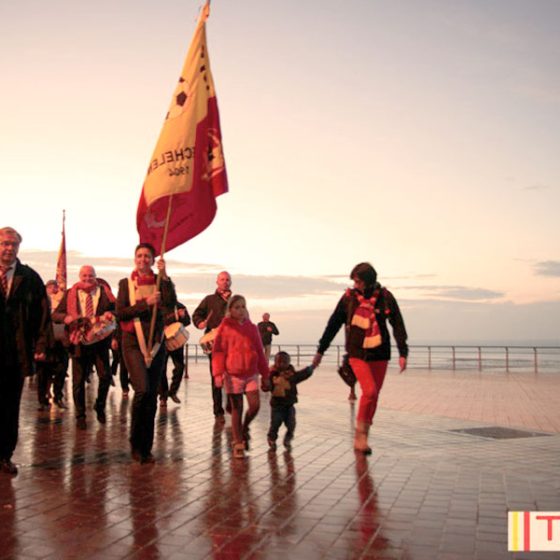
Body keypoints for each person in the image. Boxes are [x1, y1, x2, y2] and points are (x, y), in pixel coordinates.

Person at [312, 262, 408, 455]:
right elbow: (333, 324)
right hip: (357, 353)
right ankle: (360, 435)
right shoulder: (349, 299)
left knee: (373, 397)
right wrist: (321, 351)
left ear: (368, 281)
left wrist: (403, 352)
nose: (355, 285)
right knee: (369, 391)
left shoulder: (385, 297)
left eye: (358, 281)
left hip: (380, 353)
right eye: (354, 281)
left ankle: (365, 433)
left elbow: (397, 323)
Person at [116, 243, 177, 464]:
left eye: (147, 256)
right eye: (139, 255)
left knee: (151, 394)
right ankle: (135, 443)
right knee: (141, 389)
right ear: (135, 258)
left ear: (153, 260)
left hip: (156, 344)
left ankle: (146, 447)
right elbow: (120, 313)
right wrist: (145, 304)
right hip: (133, 341)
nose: (143, 259)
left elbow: (170, 303)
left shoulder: (160, 282)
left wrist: (165, 275)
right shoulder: (126, 284)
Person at [0, 227, 52, 475]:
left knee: (10, 407)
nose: (9, 248)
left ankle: (5, 455)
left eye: (13, 245)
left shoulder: (29, 278)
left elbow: (43, 315)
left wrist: (41, 345)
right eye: (4, 244)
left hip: (15, 353)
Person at [53, 266, 116, 430]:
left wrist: (110, 315)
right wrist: (66, 317)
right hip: (78, 341)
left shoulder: (104, 292)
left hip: (99, 340)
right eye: (85, 276)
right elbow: (56, 314)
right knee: (78, 381)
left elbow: (115, 310)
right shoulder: (70, 293)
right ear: (80, 277)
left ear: (96, 276)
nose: (88, 278)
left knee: (106, 377)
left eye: (91, 276)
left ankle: (100, 405)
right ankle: (80, 415)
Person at [211, 295, 270, 459]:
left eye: (243, 306)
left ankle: (244, 428)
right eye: (237, 307)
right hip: (233, 375)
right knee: (237, 408)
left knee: (255, 406)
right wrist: (218, 373)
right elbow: (218, 351)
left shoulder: (252, 328)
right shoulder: (225, 327)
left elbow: (259, 351)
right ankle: (238, 442)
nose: (241, 310)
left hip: (251, 374)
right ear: (230, 310)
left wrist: (265, 374)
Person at [193, 271, 232, 419]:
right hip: (214, 342)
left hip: (231, 342)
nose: (225, 282)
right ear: (217, 282)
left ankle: (230, 404)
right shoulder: (209, 300)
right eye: (222, 279)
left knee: (231, 374)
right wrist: (200, 323)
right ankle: (217, 409)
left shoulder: (234, 301)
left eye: (227, 280)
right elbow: (196, 314)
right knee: (216, 375)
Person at [267, 351, 314, 452]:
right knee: (275, 423)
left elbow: (302, 375)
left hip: (289, 405)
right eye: (279, 362)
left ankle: (288, 439)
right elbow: (267, 385)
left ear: (289, 363)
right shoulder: (272, 375)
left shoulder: (292, 375)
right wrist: (265, 385)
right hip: (277, 406)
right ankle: (272, 439)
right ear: (275, 362)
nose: (281, 364)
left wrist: (311, 368)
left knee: (291, 423)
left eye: (284, 362)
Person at [36, 279, 69, 410]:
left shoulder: (62, 300)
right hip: (45, 342)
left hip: (60, 341)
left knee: (62, 370)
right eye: (52, 287)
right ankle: (42, 400)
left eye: (56, 287)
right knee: (43, 374)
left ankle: (58, 396)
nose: (55, 289)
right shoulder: (41, 300)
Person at [159, 301, 191, 406]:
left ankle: (172, 392)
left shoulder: (179, 305)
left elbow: (188, 321)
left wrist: (182, 316)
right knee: (161, 368)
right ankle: (163, 396)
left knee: (180, 366)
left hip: (177, 340)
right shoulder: (157, 306)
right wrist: (175, 316)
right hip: (162, 341)